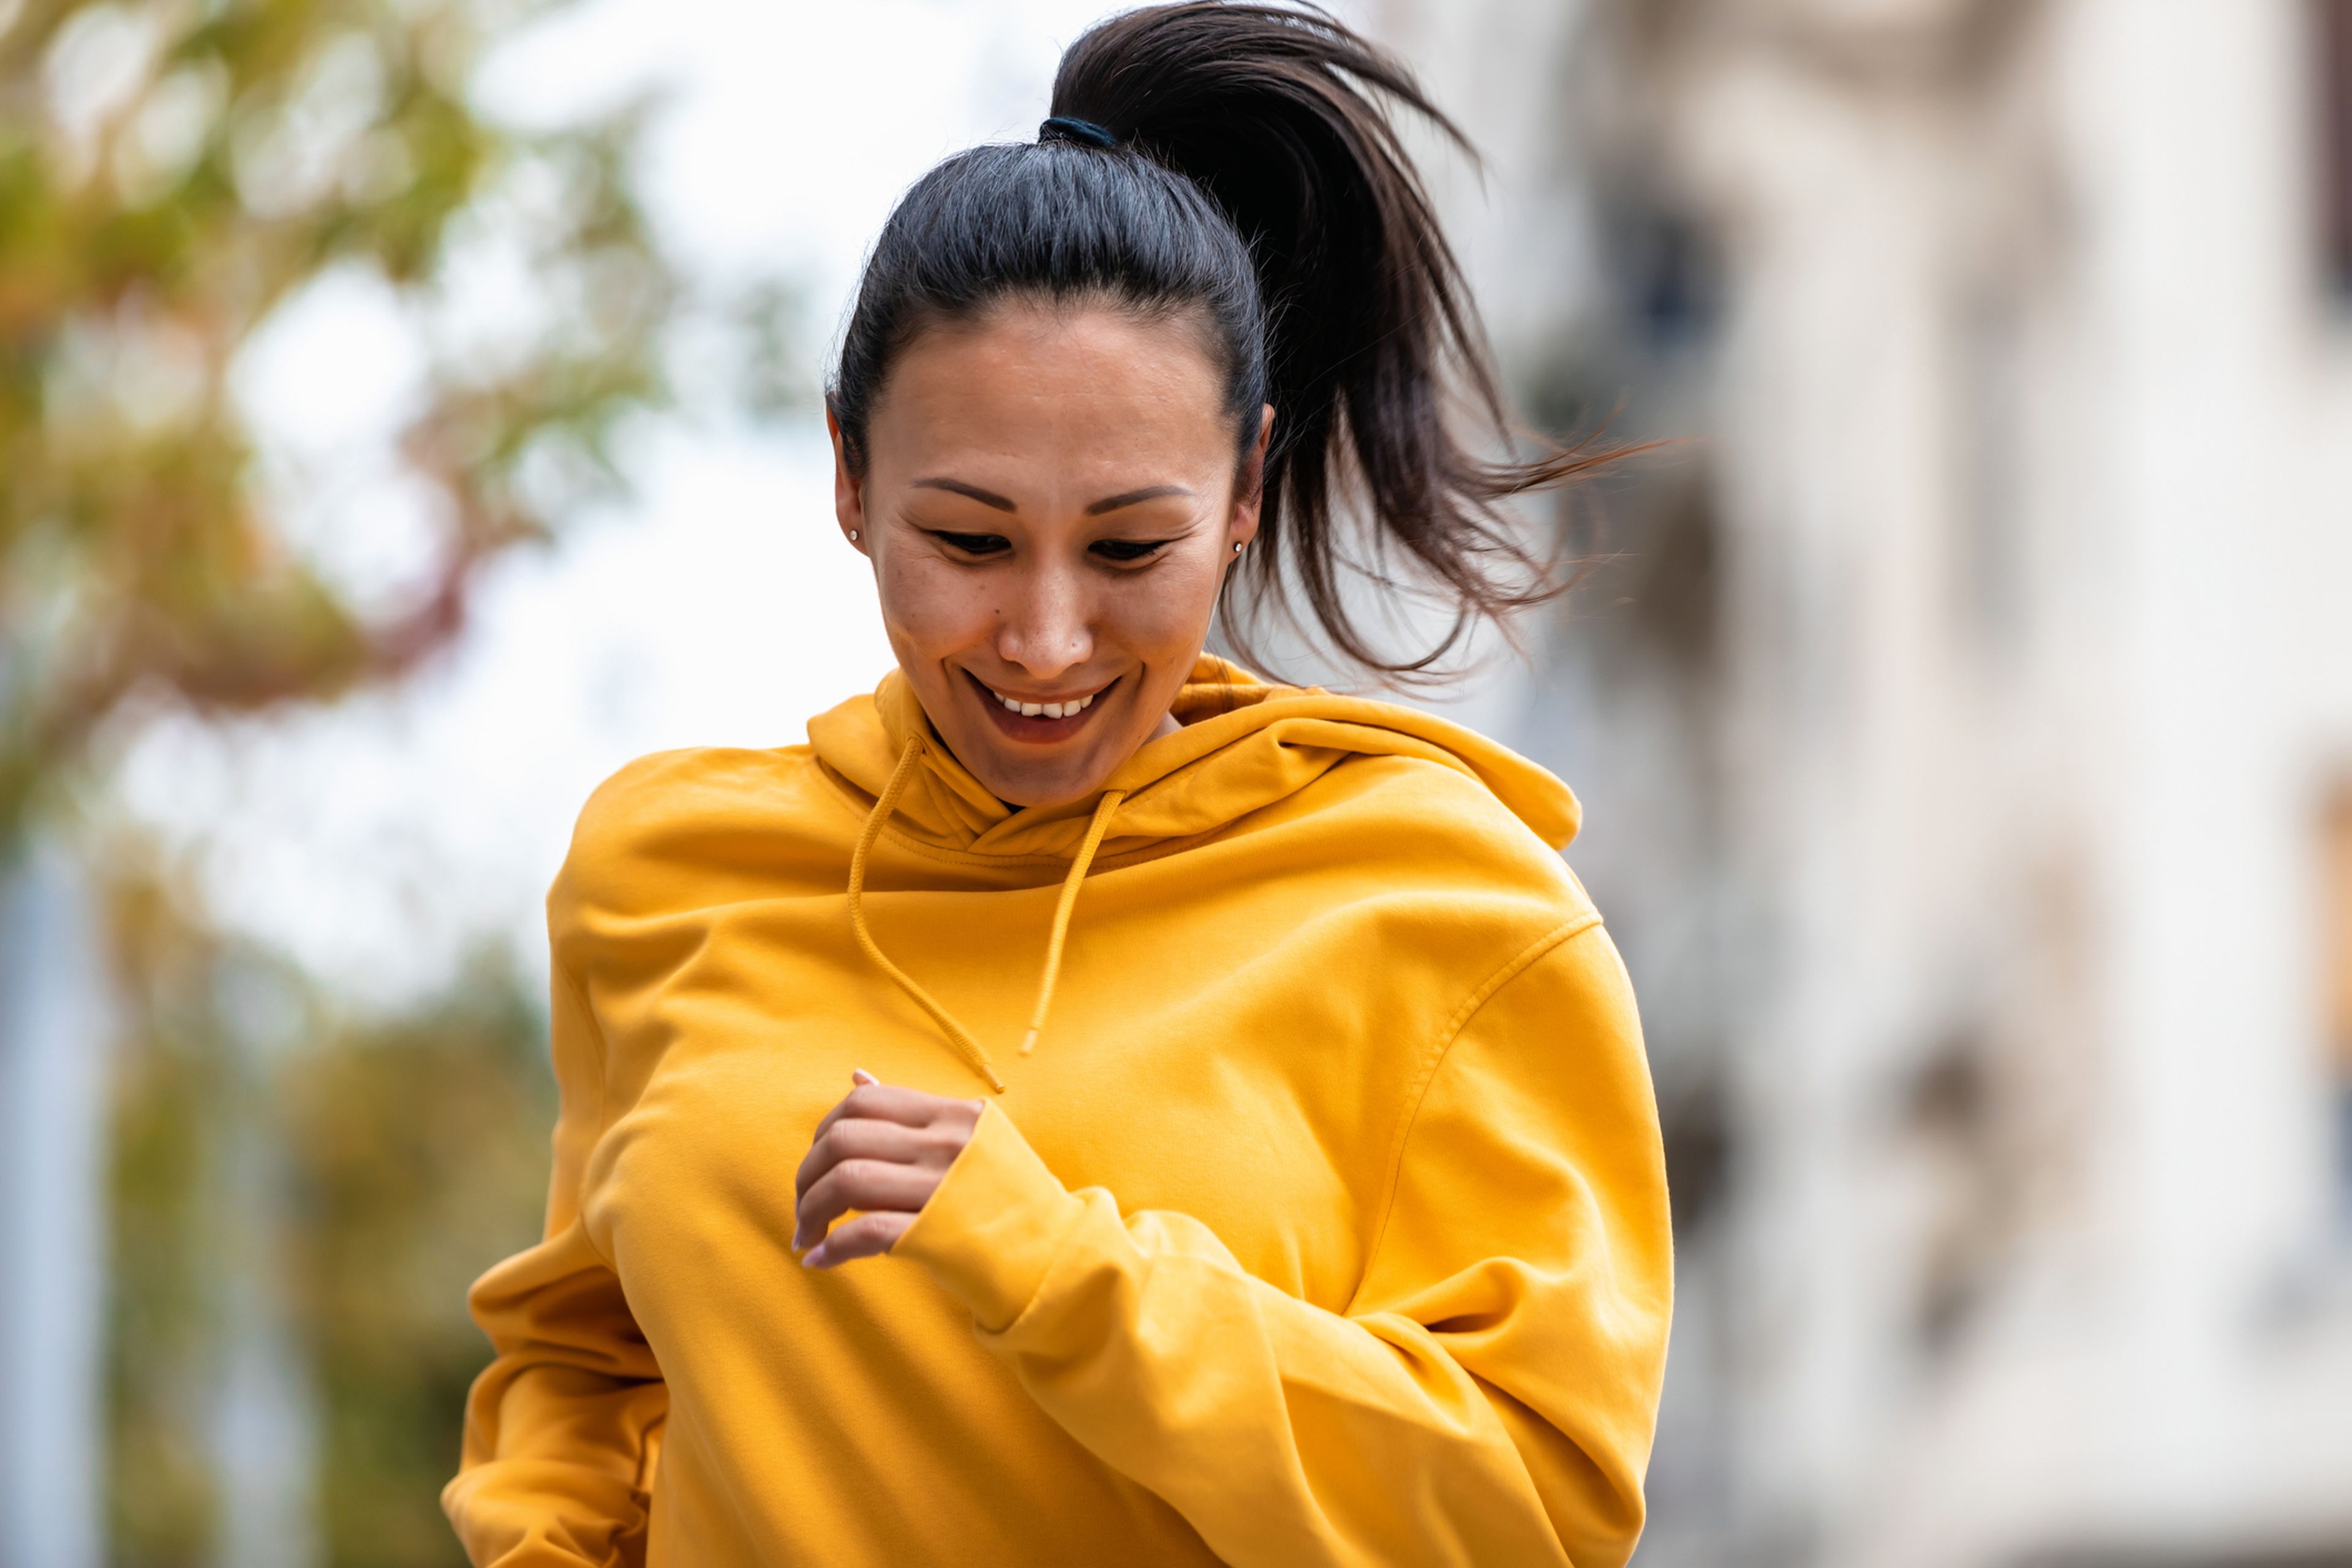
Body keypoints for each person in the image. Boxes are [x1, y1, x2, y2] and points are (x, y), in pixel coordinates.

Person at [442, 4, 1672, 1564]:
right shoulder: (666, 867)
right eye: (966, 539)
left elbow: (1529, 1517)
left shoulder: (1450, 909)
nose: (1043, 635)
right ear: (847, 477)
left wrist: (1050, 1267)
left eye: (1127, 547)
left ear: (1241, 497)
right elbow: (586, 1369)